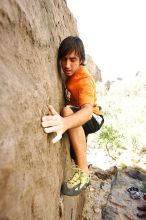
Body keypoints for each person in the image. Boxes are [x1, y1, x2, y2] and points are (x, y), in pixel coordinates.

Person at [41, 36, 104, 196]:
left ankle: (84, 174)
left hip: (94, 117)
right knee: (73, 152)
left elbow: (88, 111)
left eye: (73, 60)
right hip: (81, 115)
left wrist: (64, 123)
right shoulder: (70, 75)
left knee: (67, 111)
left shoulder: (84, 80)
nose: (67, 65)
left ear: (81, 60)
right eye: (63, 59)